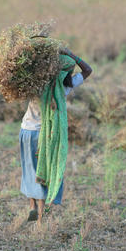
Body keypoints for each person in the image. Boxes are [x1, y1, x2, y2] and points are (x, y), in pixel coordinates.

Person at [19, 47, 92, 223]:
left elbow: (21, 74)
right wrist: (71, 53)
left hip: (27, 130)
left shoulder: (36, 84)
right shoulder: (65, 87)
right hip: (48, 135)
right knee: (45, 169)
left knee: (29, 168)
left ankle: (31, 206)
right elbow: (88, 70)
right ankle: (41, 216)